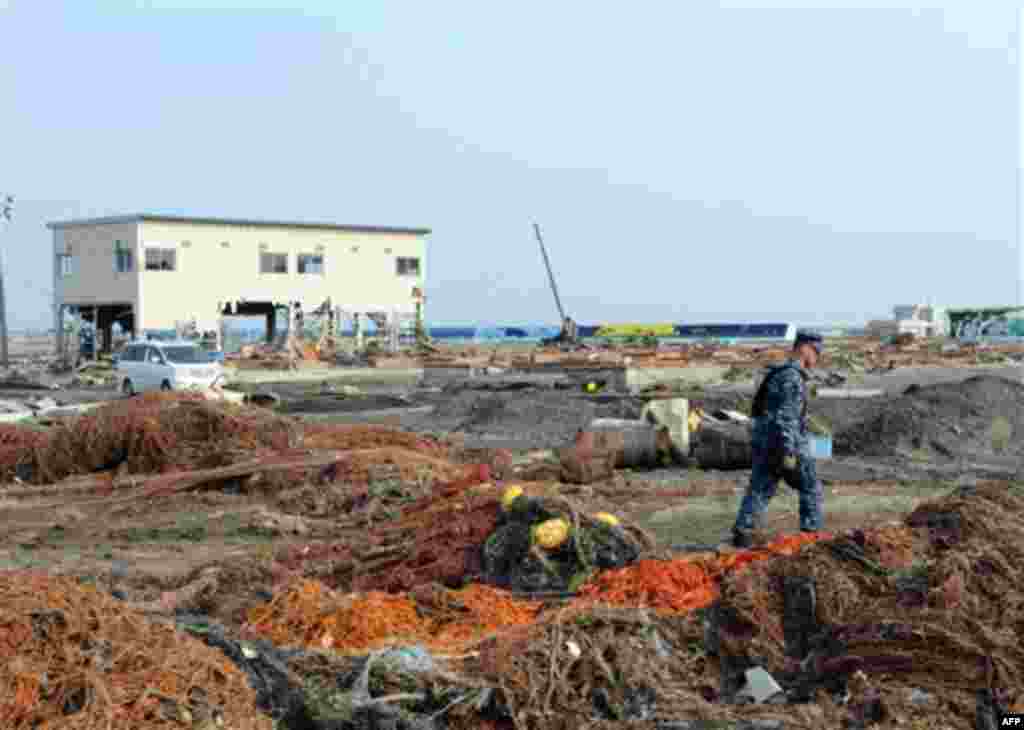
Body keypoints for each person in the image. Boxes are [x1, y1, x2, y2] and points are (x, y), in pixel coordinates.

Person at [731, 330, 825, 548]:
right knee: (811, 486)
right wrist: (789, 451)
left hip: (766, 442)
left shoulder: (779, 373)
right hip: (782, 443)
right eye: (816, 351)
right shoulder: (792, 377)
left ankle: (743, 532)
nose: (817, 358)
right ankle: (811, 536)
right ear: (804, 348)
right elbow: (786, 417)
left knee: (761, 487)